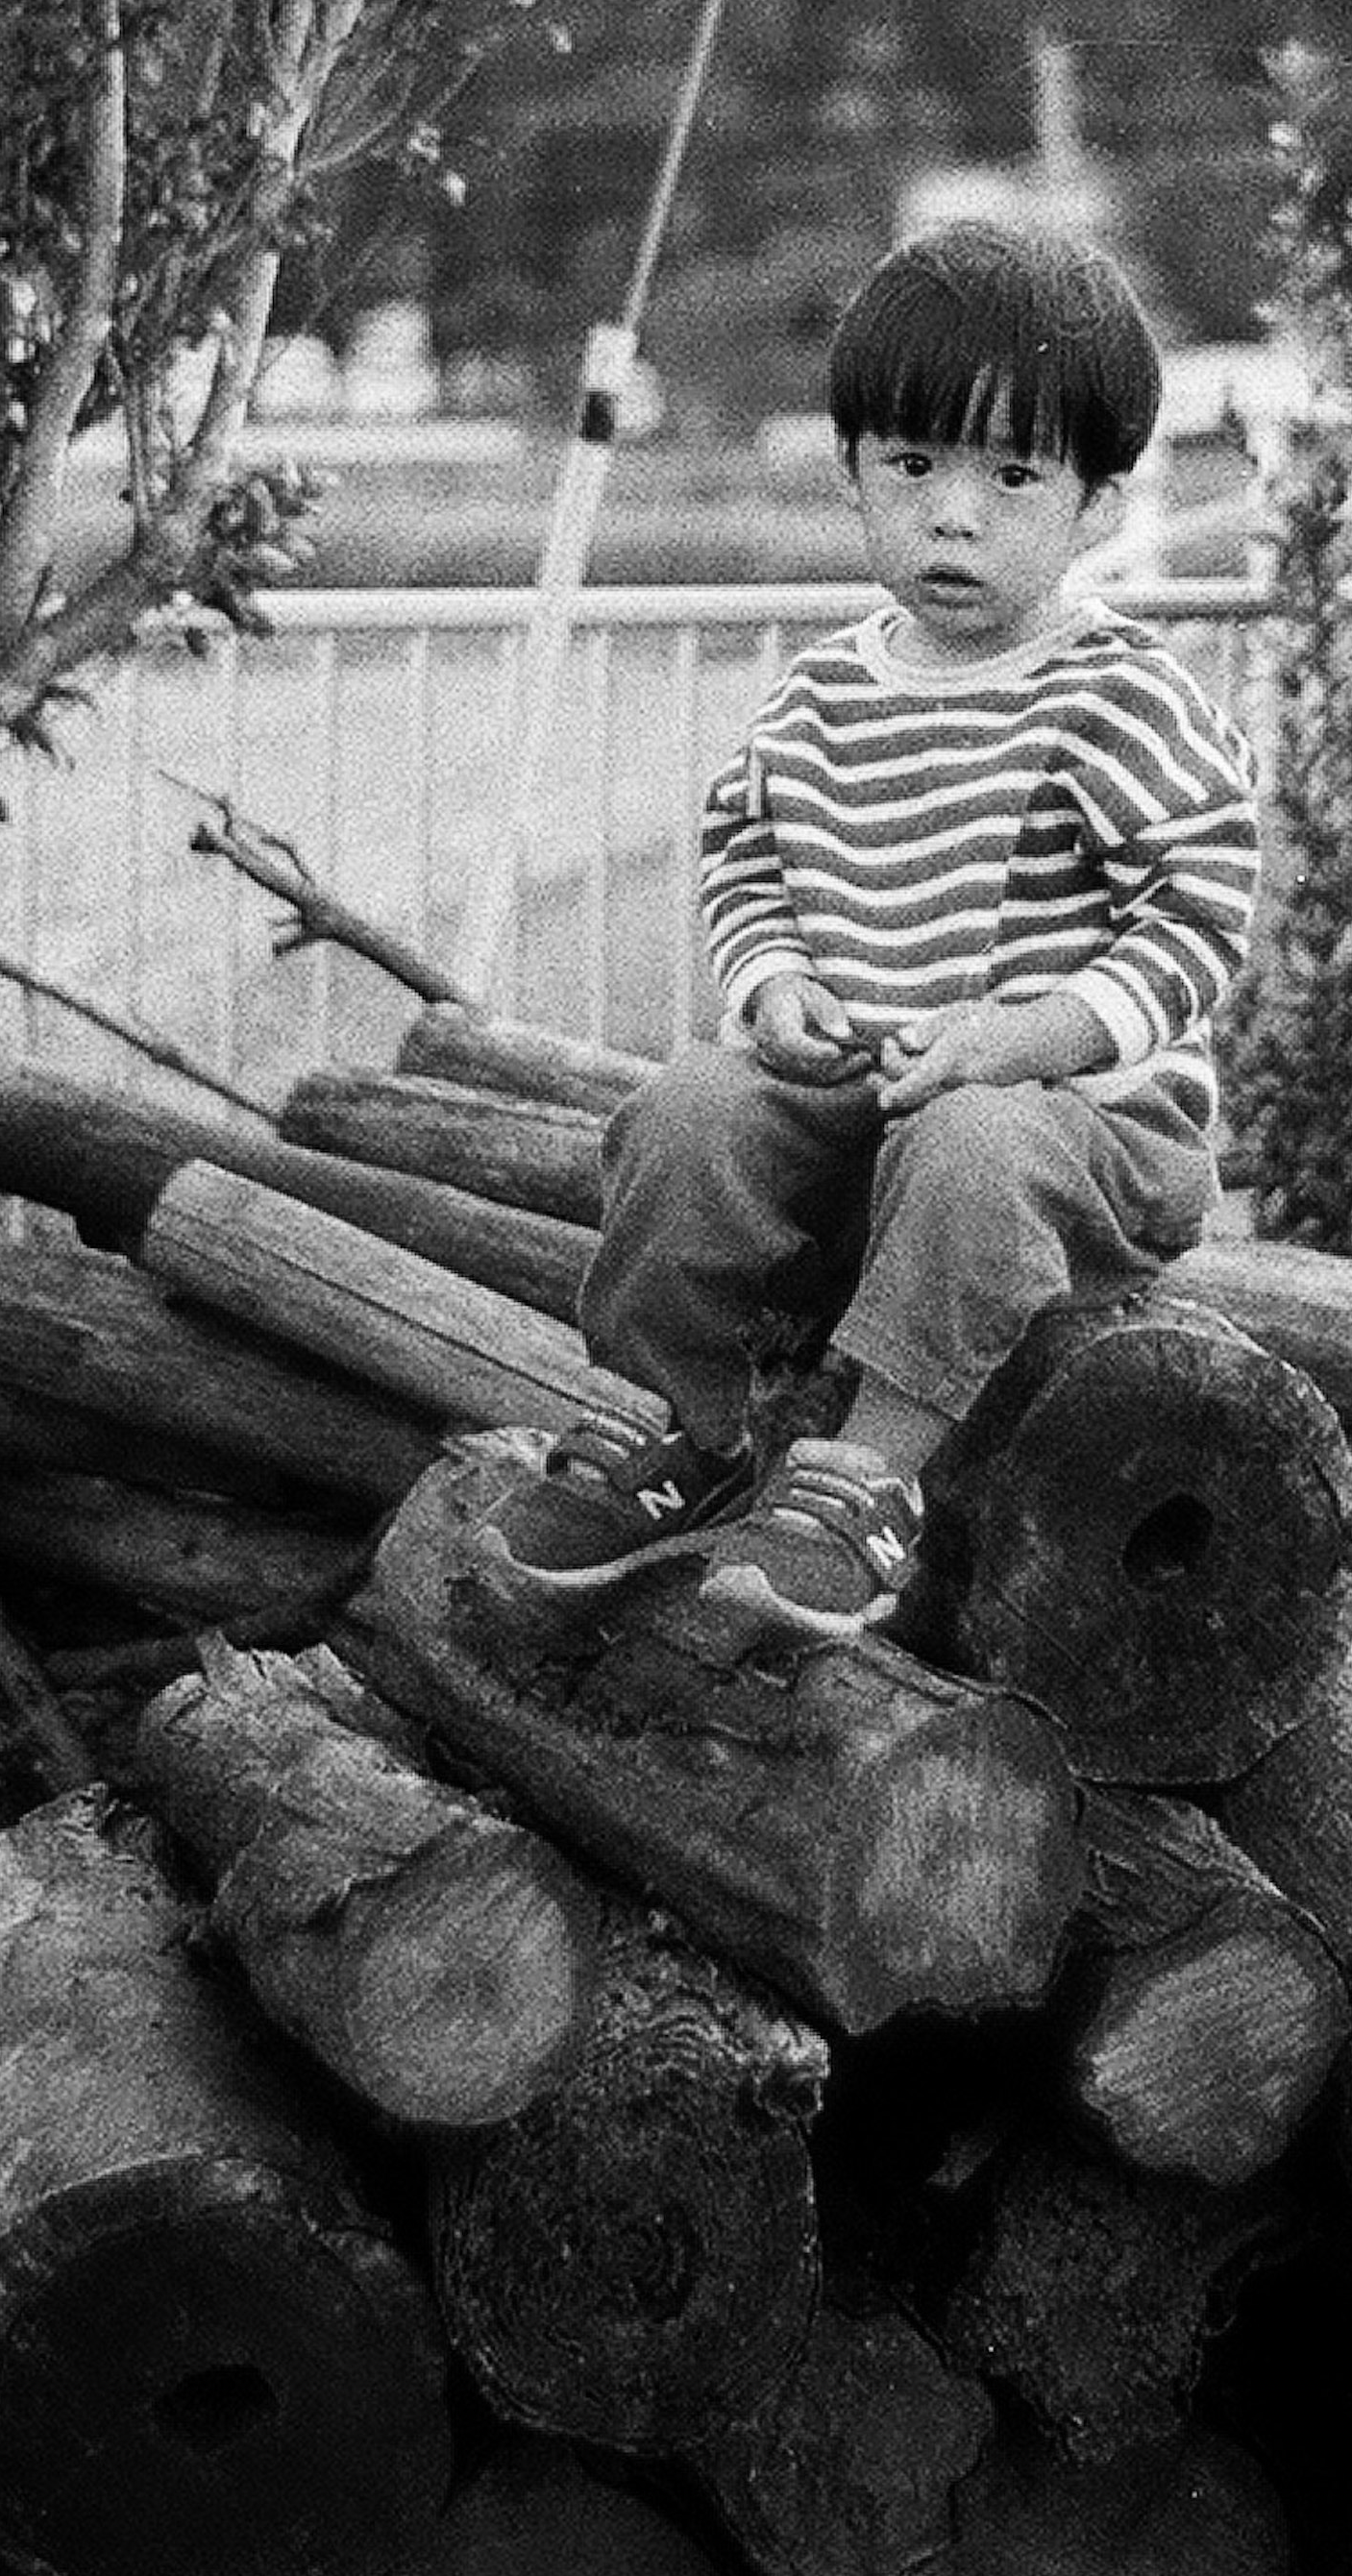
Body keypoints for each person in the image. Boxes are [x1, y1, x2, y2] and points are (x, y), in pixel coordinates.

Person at [486, 223, 1260, 1645]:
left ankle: (869, 1478)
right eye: (912, 469)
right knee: (689, 1107)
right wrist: (773, 979)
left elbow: (1202, 904)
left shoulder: (1115, 694)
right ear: (853, 470)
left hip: (1073, 1135)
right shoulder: (825, 695)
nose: (952, 517)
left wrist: (1034, 1033)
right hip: (861, 1116)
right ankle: (693, 1427)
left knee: (975, 1140)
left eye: (1011, 477)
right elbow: (747, 856)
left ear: (1094, 506)